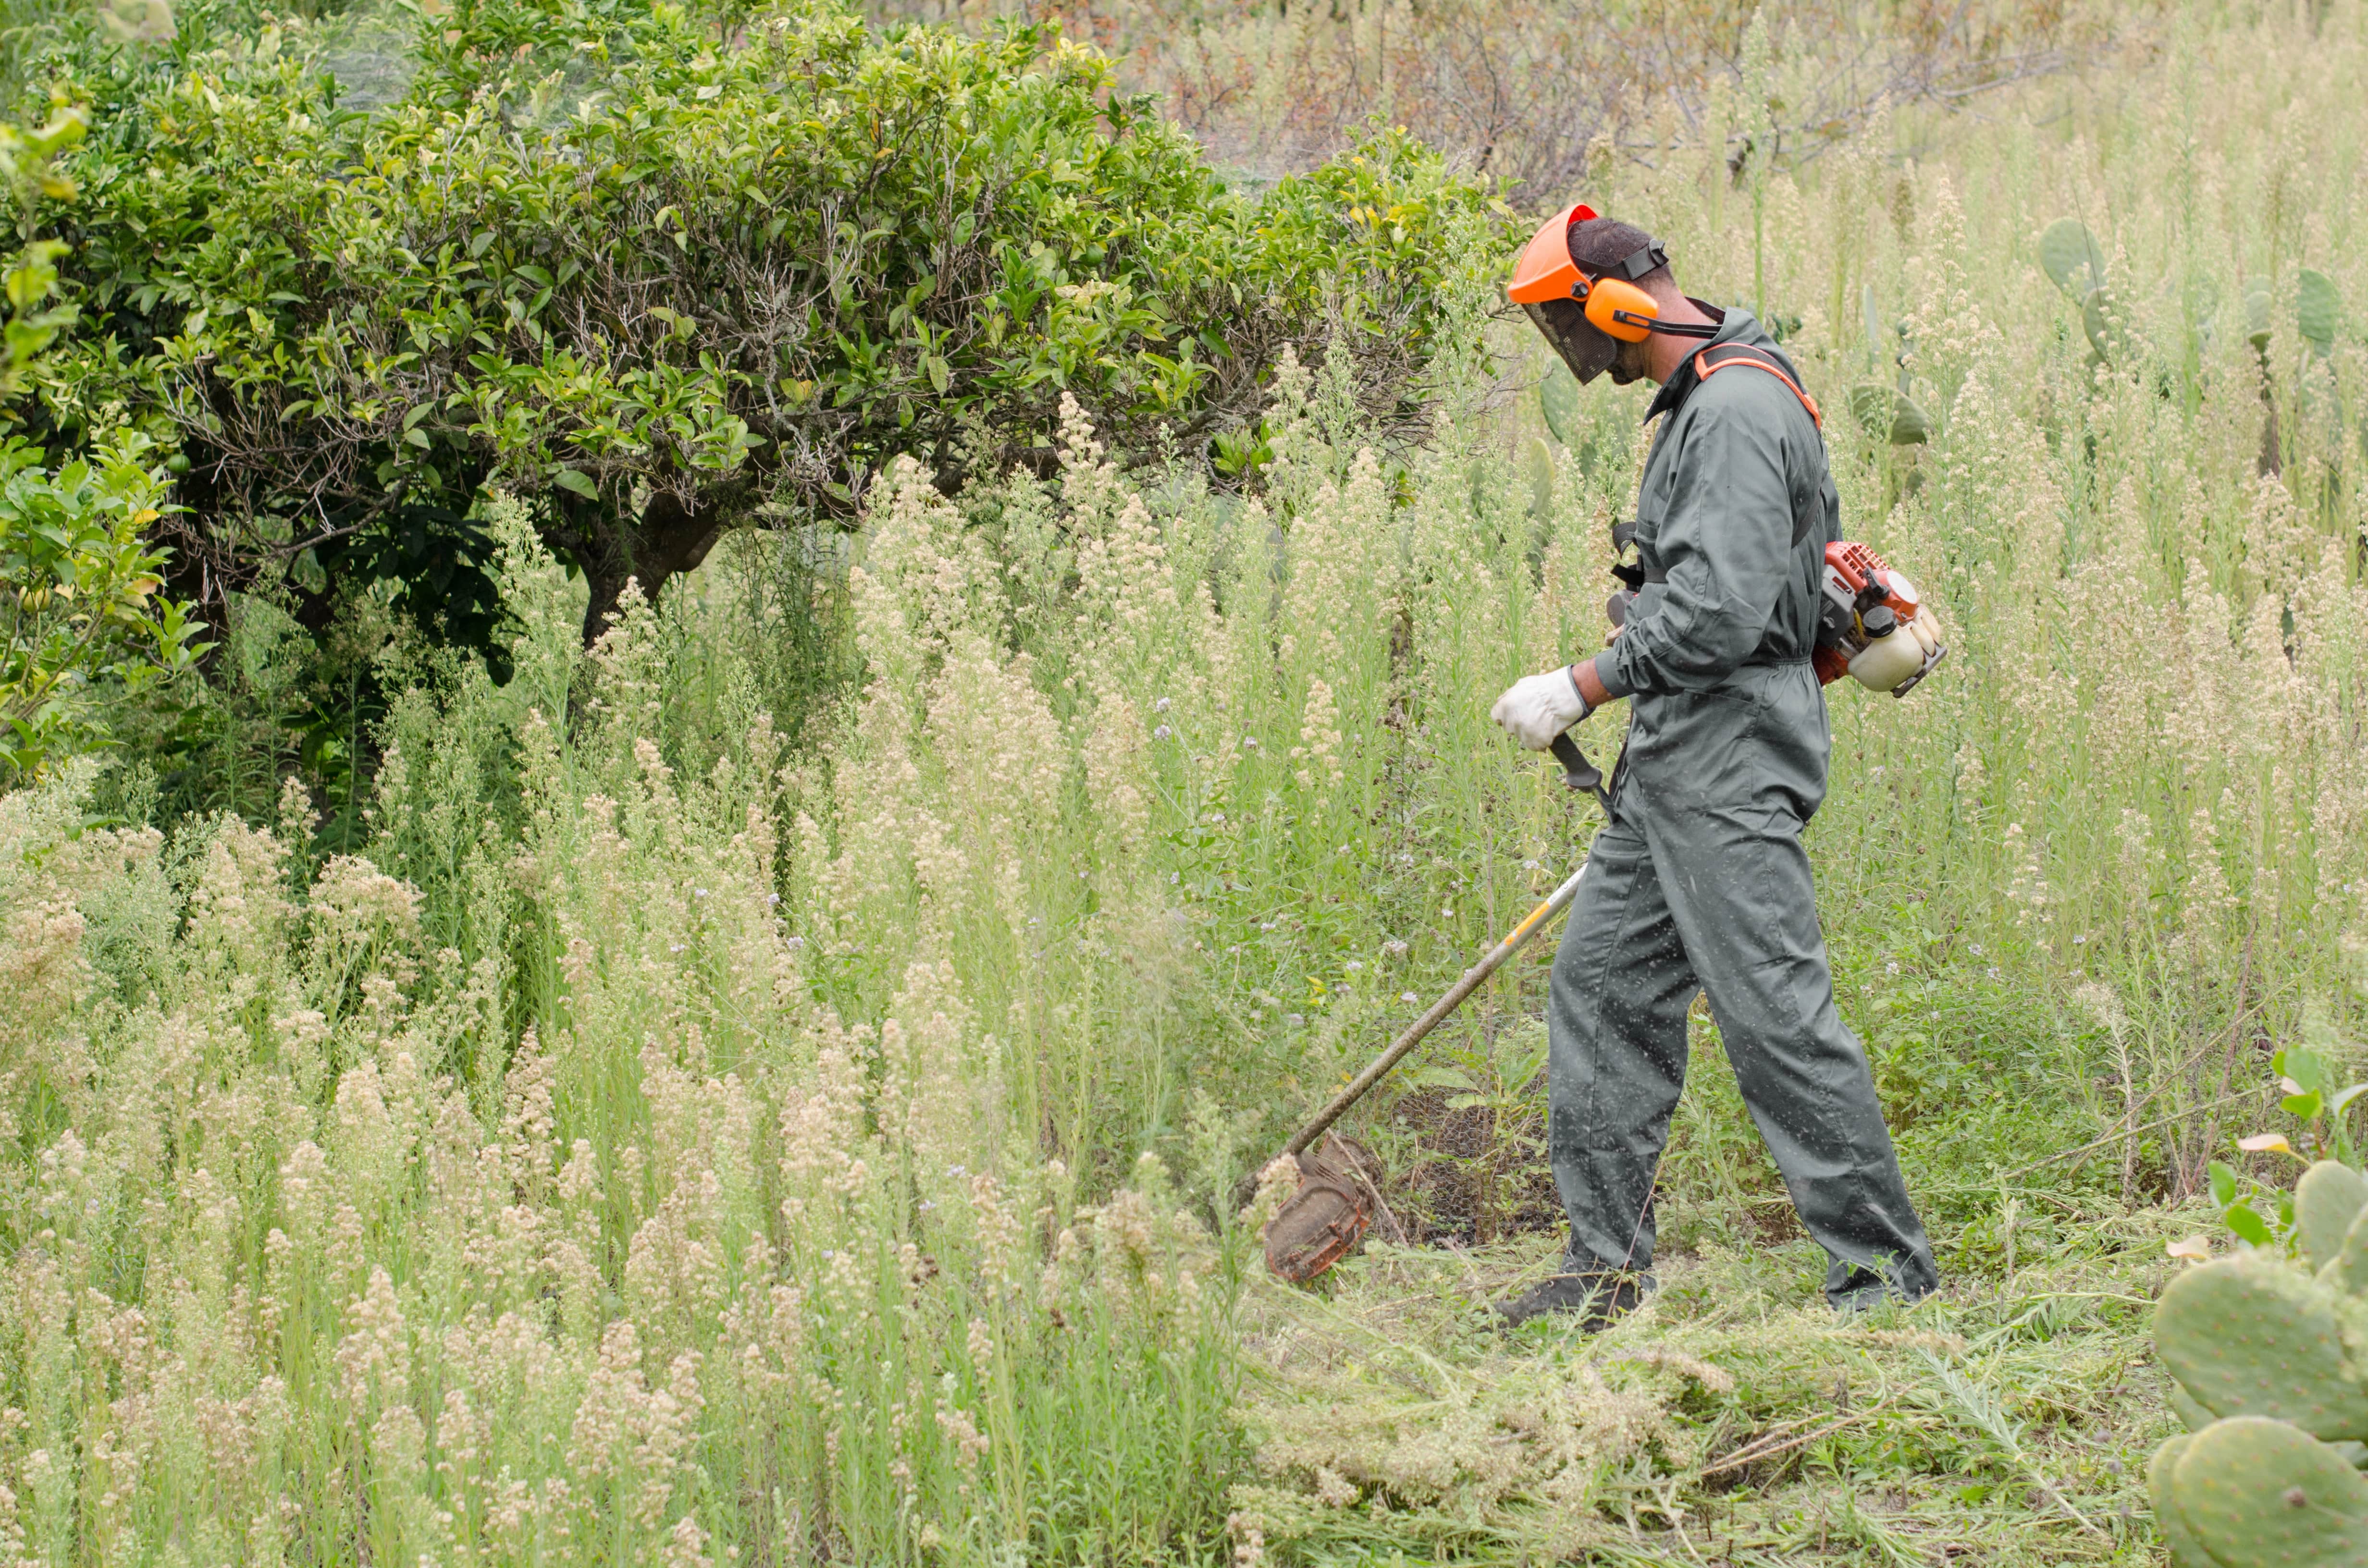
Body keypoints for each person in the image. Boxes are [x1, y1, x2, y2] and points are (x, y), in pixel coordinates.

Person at [1486, 205, 1939, 1329]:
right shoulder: (1711, 391)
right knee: (1601, 994)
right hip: (1677, 755)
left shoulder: (1733, 408)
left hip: (1728, 755)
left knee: (1776, 1014)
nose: (1565, 349)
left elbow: (1728, 610)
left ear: (1617, 306)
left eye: (1561, 324)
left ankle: (1885, 1285)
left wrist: (1582, 684)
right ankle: (1604, 1274)